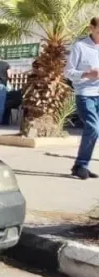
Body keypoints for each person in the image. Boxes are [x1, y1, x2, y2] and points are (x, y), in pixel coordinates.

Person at [65, 16, 99, 180]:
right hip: (85, 94)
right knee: (93, 128)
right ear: (91, 28)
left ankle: (81, 165)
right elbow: (68, 73)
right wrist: (87, 73)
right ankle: (81, 164)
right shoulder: (80, 46)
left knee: (93, 131)